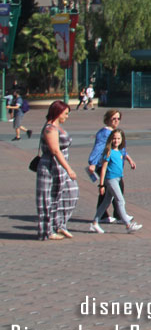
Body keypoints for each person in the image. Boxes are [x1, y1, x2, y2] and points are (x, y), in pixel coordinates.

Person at [35, 101, 78, 241]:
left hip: (60, 167)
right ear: (58, 112)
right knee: (47, 199)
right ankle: (47, 231)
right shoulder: (50, 129)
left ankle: (59, 224)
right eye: (65, 113)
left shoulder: (58, 127)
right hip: (50, 167)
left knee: (70, 193)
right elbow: (55, 150)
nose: (67, 116)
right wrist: (69, 169)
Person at [89, 128, 142, 233]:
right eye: (114, 138)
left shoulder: (120, 151)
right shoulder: (108, 152)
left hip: (117, 178)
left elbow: (124, 156)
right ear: (110, 139)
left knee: (106, 202)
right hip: (111, 180)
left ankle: (95, 223)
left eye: (118, 138)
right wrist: (101, 185)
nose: (116, 141)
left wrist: (130, 161)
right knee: (120, 201)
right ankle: (128, 224)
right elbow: (103, 169)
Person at [88, 109, 135, 223]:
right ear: (107, 119)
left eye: (118, 118)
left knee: (108, 193)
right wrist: (93, 163)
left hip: (114, 166)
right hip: (105, 165)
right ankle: (119, 216)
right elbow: (98, 148)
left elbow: (120, 149)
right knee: (116, 189)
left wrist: (129, 159)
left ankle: (103, 216)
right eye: (113, 118)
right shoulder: (104, 133)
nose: (116, 121)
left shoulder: (115, 132)